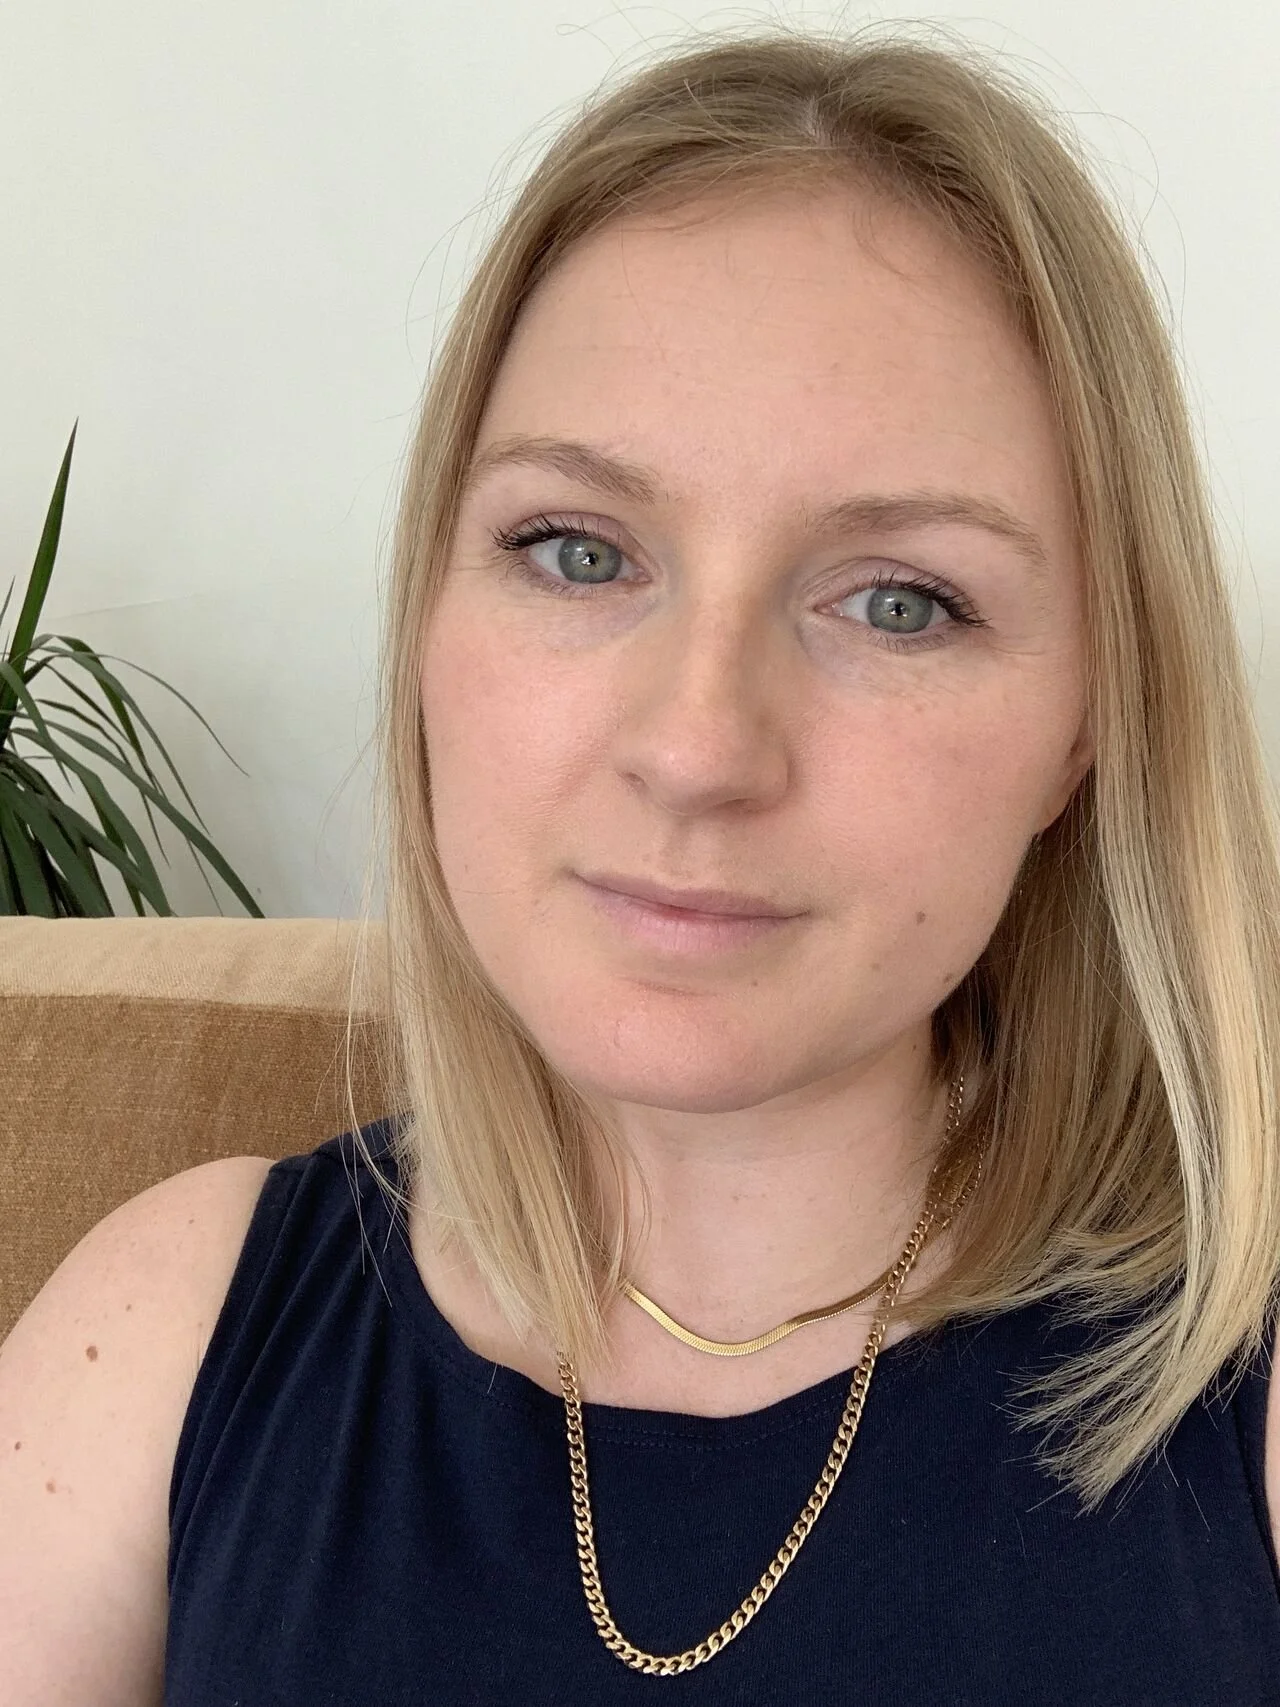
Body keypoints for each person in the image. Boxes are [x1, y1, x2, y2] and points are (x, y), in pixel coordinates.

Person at [3, 21, 1279, 1705]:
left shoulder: (1243, 1405)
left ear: (1087, 724)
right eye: (577, 551)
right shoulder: (170, 1329)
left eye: (900, 599)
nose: (696, 747)